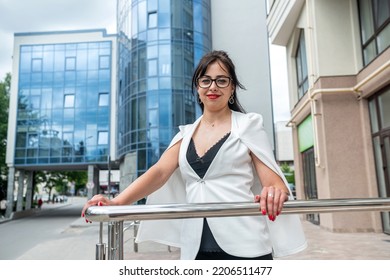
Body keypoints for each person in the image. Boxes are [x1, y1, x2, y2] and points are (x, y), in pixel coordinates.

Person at [82, 50, 307, 260]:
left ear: (232, 89)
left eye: (222, 80)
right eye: (205, 80)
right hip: (195, 247)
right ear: (198, 88)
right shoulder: (185, 134)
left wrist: (274, 191)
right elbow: (159, 172)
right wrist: (117, 202)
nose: (213, 86)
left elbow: (272, 180)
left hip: (246, 244)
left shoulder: (248, 125)